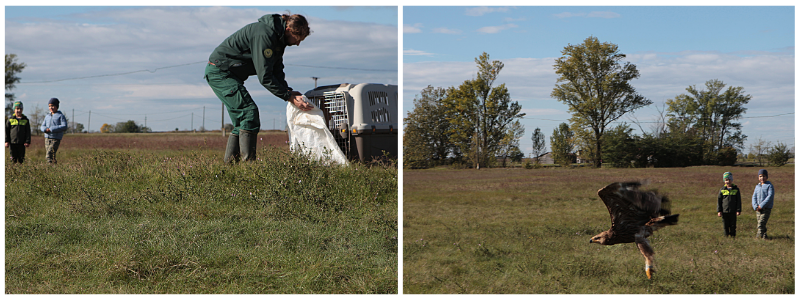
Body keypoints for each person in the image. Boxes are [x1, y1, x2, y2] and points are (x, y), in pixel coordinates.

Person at [205, 13, 313, 163]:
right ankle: (250, 168)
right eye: (298, 39)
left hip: (230, 75)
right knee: (249, 113)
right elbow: (265, 77)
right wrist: (288, 97)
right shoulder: (265, 35)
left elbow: (276, 69)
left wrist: (288, 91)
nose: (297, 44)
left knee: (242, 122)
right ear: (288, 29)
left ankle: (229, 168)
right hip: (221, 73)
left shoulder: (278, 39)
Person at [40, 97, 68, 164]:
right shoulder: (47, 116)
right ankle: (54, 168)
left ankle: (49, 168)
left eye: (52, 106)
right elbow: (42, 125)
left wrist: (51, 129)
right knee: (51, 155)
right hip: (47, 138)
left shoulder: (60, 116)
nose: (51, 108)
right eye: (49, 106)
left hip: (55, 138)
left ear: (56, 106)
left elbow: (64, 126)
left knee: (49, 155)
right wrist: (44, 129)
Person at [717, 172, 741, 237]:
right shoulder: (722, 190)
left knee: (733, 225)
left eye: (729, 180)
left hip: (733, 211)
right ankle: (726, 236)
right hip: (725, 211)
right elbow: (719, 201)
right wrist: (719, 211)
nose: (728, 181)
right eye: (726, 180)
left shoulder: (736, 189)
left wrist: (738, 210)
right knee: (725, 225)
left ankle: (733, 236)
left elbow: (739, 200)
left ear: (732, 180)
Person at [751, 169, 774, 239]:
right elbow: (754, 196)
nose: (762, 178)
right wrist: (755, 206)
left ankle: (758, 238)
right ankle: (764, 237)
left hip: (766, 208)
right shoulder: (757, 186)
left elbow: (770, 196)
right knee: (761, 223)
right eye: (760, 176)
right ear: (758, 177)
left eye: (764, 176)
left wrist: (762, 205)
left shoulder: (769, 186)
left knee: (761, 223)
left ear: (766, 177)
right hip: (758, 209)